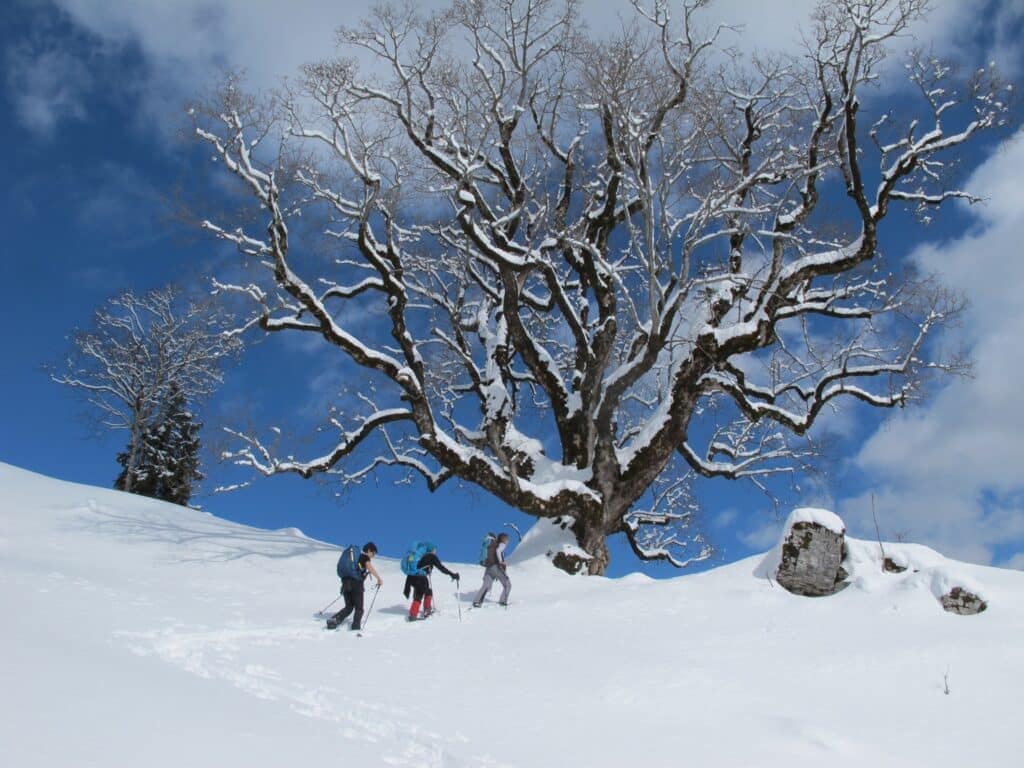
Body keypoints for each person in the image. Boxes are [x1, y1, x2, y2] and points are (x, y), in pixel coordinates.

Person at [326, 542, 383, 631]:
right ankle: (355, 628)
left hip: (345, 583)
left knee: (349, 607)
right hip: (356, 585)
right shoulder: (364, 557)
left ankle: (334, 620)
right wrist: (378, 578)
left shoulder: (356, 558)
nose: (373, 556)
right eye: (373, 553)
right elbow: (369, 566)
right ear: (369, 550)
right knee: (359, 608)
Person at [404, 544, 459, 621]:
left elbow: (414, 570)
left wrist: (407, 588)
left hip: (412, 578)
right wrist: (452, 574)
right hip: (421, 578)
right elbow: (441, 568)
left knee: (420, 594)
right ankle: (426, 611)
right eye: (435, 549)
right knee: (428, 592)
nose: (436, 551)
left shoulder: (421, 557)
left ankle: (413, 614)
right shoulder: (432, 556)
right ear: (432, 550)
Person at [472, 532, 511, 607]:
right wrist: (501, 562)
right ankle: (502, 601)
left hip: (489, 568)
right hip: (496, 567)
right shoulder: (501, 544)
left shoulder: (492, 545)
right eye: (507, 539)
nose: (508, 541)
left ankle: (477, 602)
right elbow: (498, 551)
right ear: (504, 539)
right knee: (508, 585)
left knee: (486, 585)